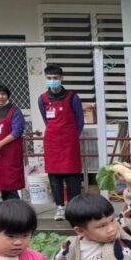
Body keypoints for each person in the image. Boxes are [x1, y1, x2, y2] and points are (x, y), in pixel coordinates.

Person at [37, 66, 84, 220]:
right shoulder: (42, 99)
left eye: (55, 78)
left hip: (70, 143)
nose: (53, 81)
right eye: (49, 78)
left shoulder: (73, 97)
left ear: (61, 78)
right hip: (52, 143)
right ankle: (60, 208)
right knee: (54, 177)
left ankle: (74, 207)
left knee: (73, 176)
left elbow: (80, 121)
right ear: (45, 78)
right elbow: (46, 119)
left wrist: (71, 137)